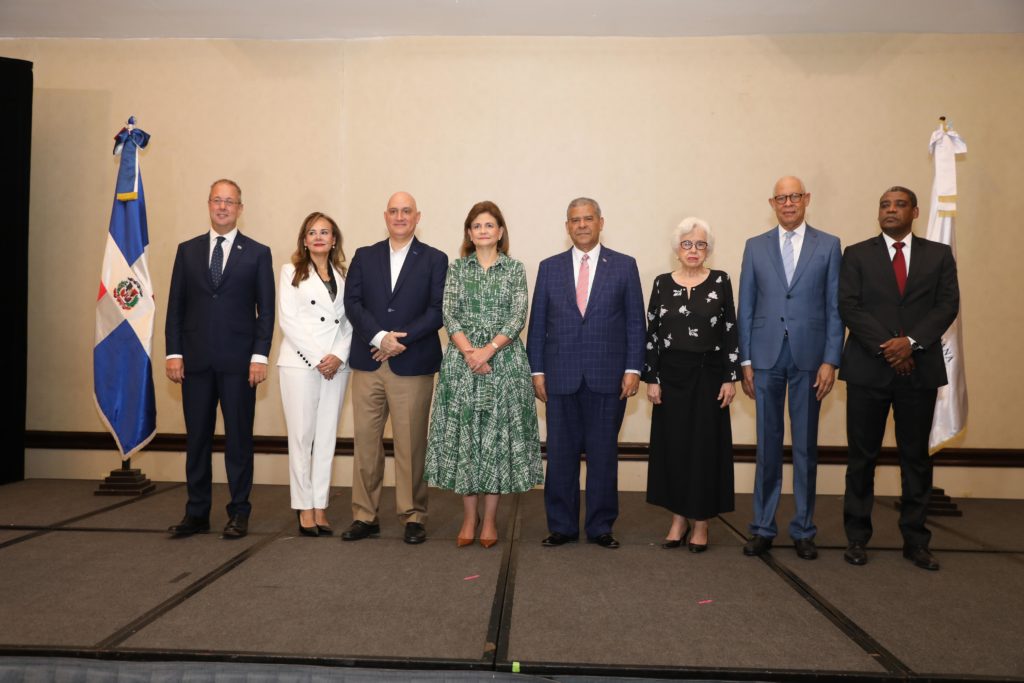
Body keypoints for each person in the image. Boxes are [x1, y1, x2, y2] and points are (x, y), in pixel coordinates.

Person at [839, 186, 959, 571]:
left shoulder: (938, 255)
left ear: (915, 212)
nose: (891, 210)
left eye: (899, 204)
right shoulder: (856, 254)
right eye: (885, 205)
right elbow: (849, 306)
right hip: (867, 370)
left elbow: (947, 306)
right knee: (862, 459)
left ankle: (916, 541)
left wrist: (910, 343)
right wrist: (890, 348)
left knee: (915, 460)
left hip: (919, 371)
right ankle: (857, 537)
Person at [526, 197, 646, 549]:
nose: (581, 225)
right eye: (575, 220)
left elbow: (635, 322)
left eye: (588, 218)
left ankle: (601, 526)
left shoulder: (624, 266)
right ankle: (561, 526)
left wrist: (633, 367)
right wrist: (537, 370)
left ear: (600, 222)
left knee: (603, 455)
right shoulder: (549, 267)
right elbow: (538, 325)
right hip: (560, 376)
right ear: (567, 226)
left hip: (608, 377)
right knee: (560, 456)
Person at [425, 201, 543, 548]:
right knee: (467, 439)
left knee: (496, 441)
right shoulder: (457, 269)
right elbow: (449, 314)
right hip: (462, 365)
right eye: (476, 225)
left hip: (503, 364)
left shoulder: (514, 269)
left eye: (489, 225)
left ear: (500, 232)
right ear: (469, 233)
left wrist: (488, 350)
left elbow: (518, 315)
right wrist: (470, 353)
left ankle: (490, 520)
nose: (483, 231)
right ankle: (469, 518)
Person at [737, 176, 843, 560]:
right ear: (772, 203)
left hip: (810, 359)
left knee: (805, 448)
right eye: (781, 197)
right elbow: (746, 305)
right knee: (767, 446)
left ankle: (803, 529)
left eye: (794, 196)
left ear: (806, 199)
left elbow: (835, 307)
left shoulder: (828, 245)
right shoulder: (755, 246)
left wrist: (831, 359)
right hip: (765, 357)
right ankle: (763, 527)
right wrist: (745, 360)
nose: (788, 203)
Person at [165, 179, 275, 539]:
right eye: (217, 200)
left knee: (239, 441)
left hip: (240, 365)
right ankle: (196, 512)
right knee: (197, 440)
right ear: (209, 205)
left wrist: (259, 356)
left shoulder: (258, 253)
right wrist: (173, 352)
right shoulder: (187, 251)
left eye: (230, 202)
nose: (223, 207)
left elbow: (266, 312)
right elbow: (175, 307)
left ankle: (239, 512)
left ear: (240, 208)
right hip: (194, 363)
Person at [341, 192, 448, 544]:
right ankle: (364, 515)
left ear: (418, 217)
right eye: (393, 211)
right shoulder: (364, 255)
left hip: (412, 362)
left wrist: (400, 340)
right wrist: (379, 337)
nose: (400, 216)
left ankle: (413, 515)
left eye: (406, 211)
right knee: (366, 443)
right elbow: (352, 303)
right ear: (385, 216)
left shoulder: (435, 259)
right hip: (368, 362)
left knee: (411, 445)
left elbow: (438, 310)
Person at [643, 218, 739, 552]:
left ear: (708, 249)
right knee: (674, 448)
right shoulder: (661, 283)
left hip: (708, 376)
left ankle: (701, 522)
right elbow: (652, 334)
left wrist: (730, 377)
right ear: (677, 249)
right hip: (670, 378)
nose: (693, 250)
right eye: (687, 244)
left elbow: (730, 329)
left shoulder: (720, 280)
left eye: (700, 244)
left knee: (704, 450)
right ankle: (678, 519)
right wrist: (652, 378)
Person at [278, 212, 353, 537]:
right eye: (312, 232)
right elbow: (288, 320)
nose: (319, 237)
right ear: (305, 240)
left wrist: (338, 356)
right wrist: (319, 358)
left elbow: (350, 322)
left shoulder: (345, 275)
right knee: (301, 436)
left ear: (334, 240)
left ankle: (320, 505)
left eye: (325, 232)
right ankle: (304, 506)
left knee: (326, 437)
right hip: (300, 363)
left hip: (337, 365)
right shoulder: (290, 271)